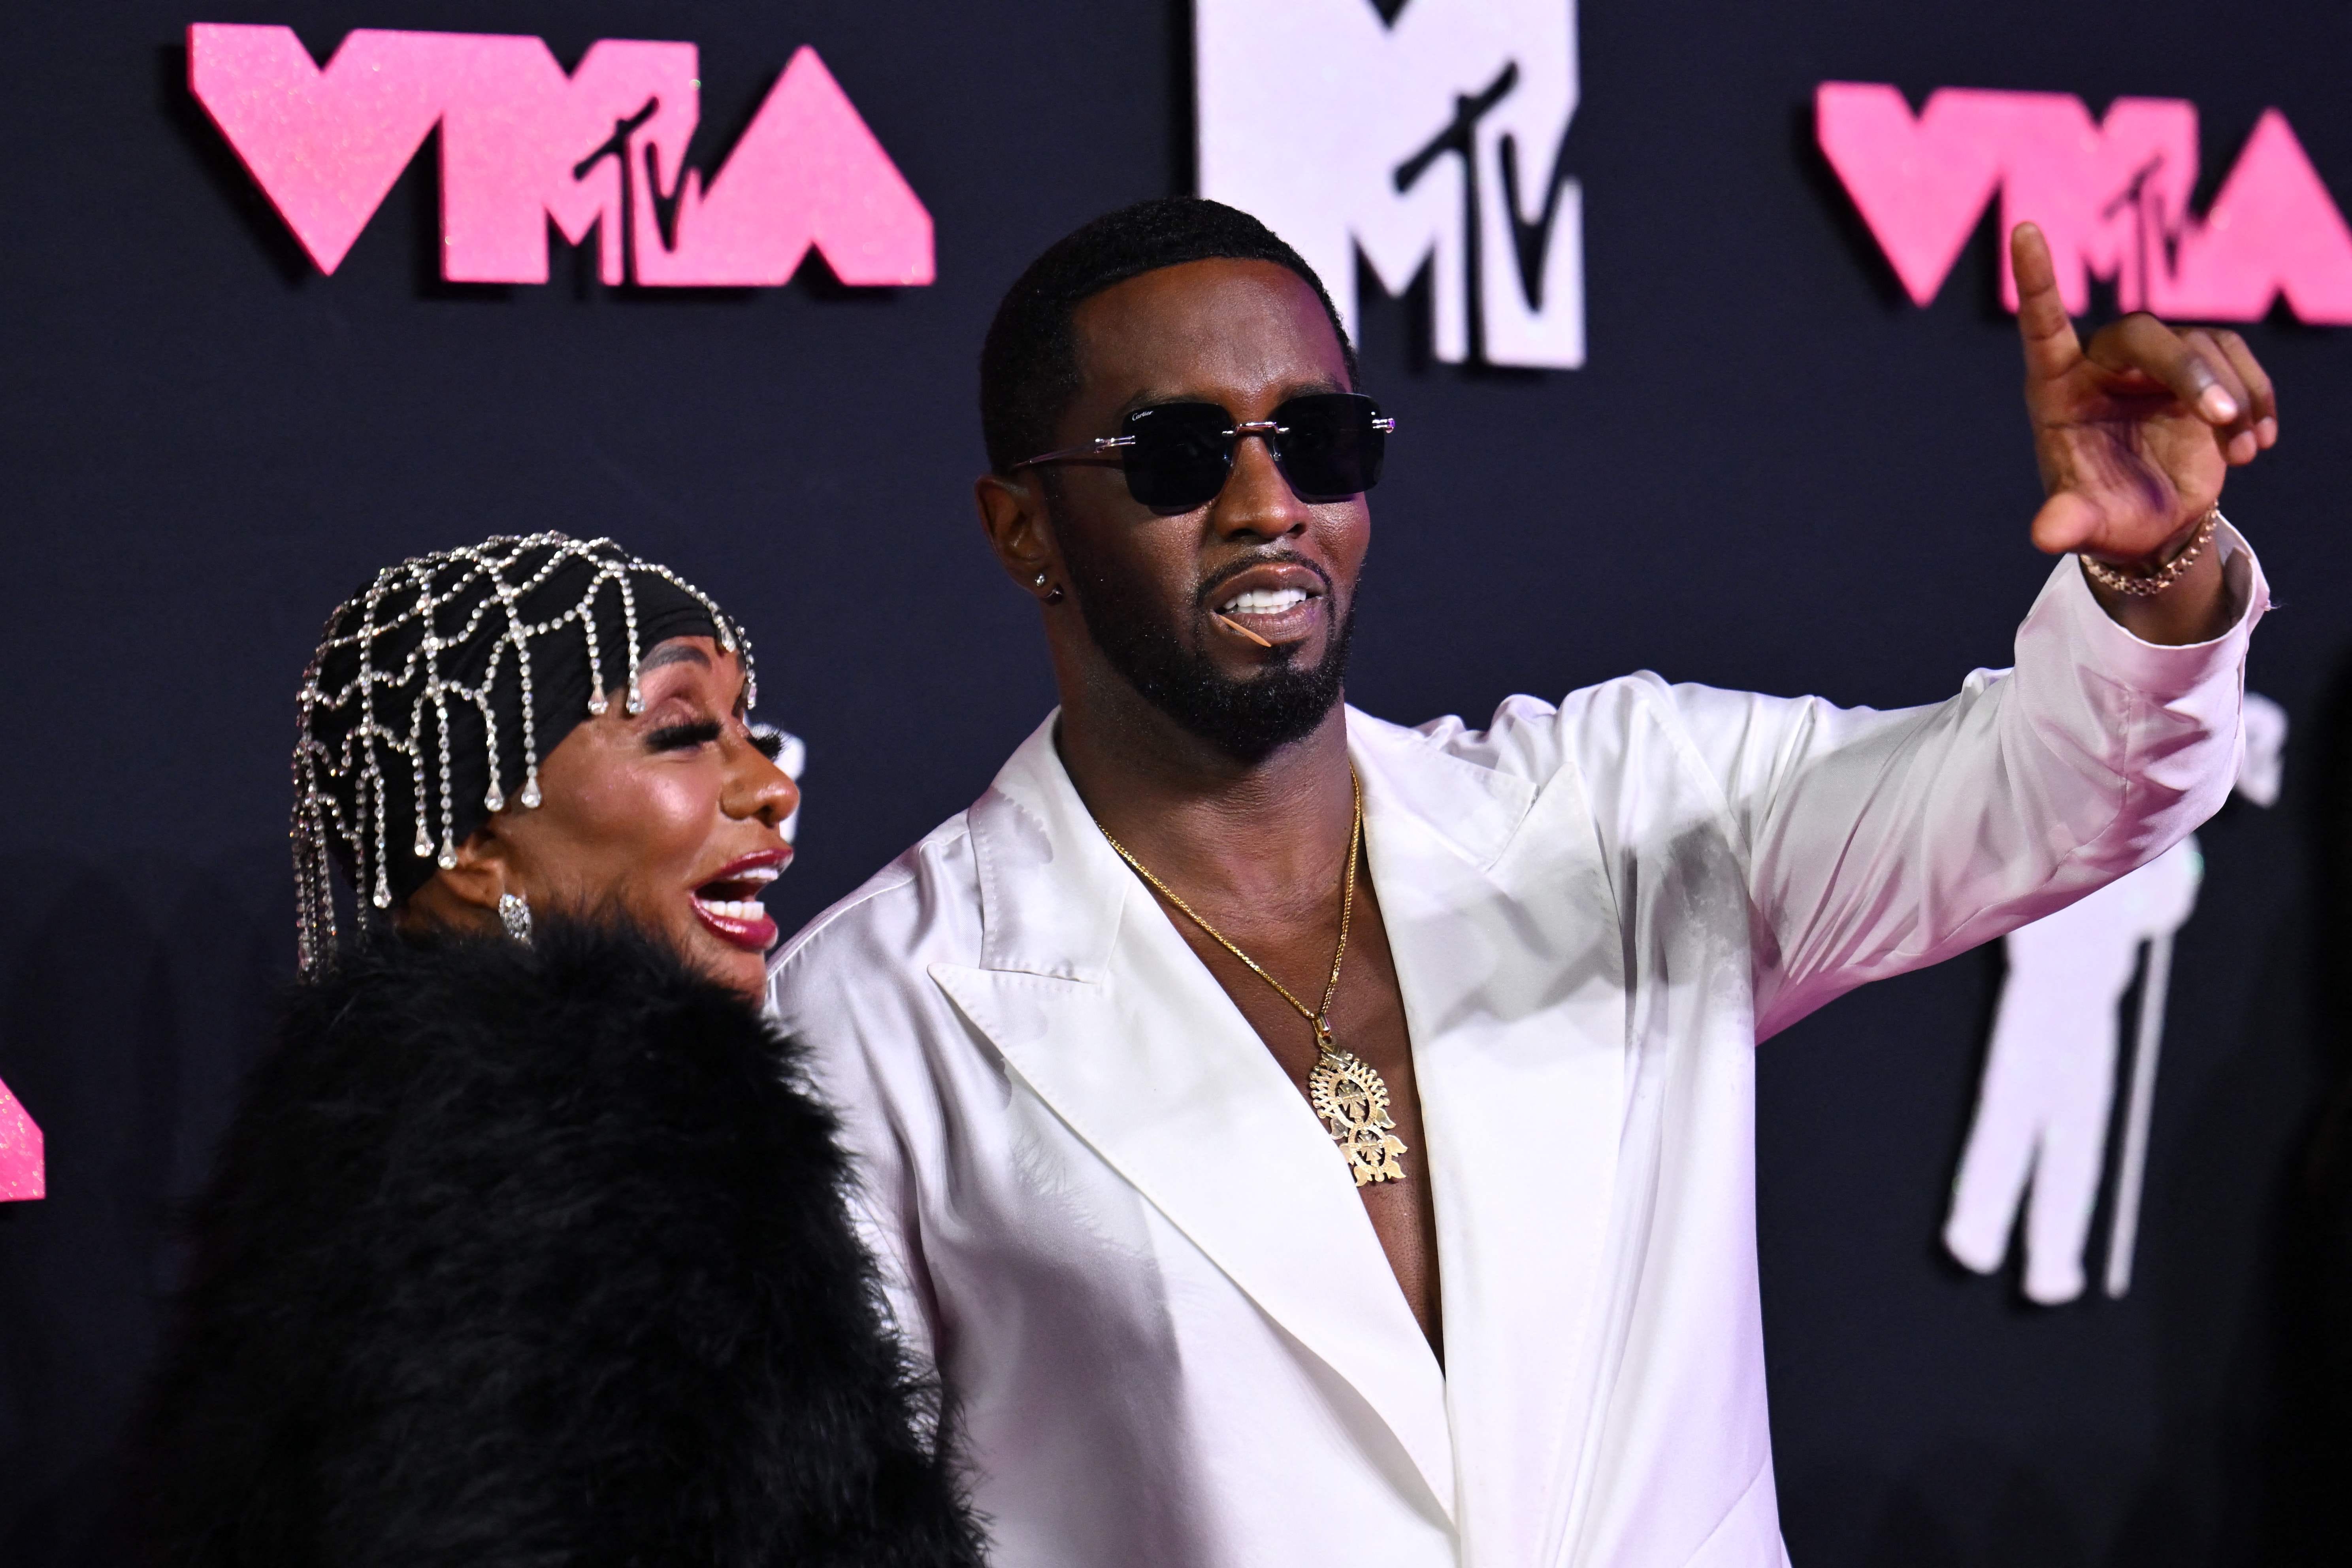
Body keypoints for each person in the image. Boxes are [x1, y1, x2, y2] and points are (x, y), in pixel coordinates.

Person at [766, 196, 2274, 1567]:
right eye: (1173, 453)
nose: (1267, 504)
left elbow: (2062, 790)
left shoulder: (1624, 816)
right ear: (1022, 526)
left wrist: (2156, 564)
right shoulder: (868, 1018)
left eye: (1320, 439)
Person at [141, 535, 984, 1568]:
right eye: (679, 735)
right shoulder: (590, 1148)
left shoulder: (388, 1134)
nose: (770, 785)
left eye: (749, 726)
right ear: (468, 848)